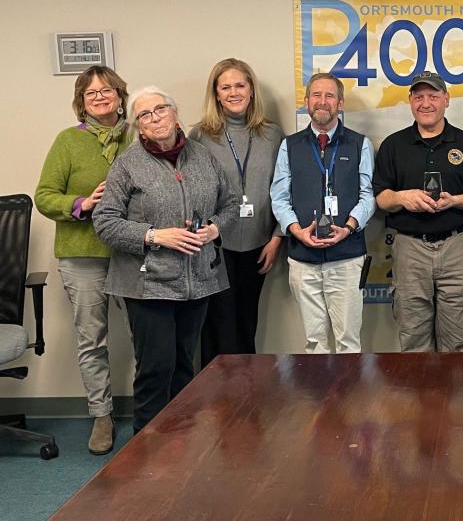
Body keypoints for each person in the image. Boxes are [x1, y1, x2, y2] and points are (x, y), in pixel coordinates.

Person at [93, 87, 237, 433]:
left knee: (185, 369)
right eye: (145, 114)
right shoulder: (128, 164)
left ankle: (181, 448)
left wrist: (214, 229)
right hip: (148, 285)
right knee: (156, 369)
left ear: (175, 114)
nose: (155, 117)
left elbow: (230, 205)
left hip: (197, 280)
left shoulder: (203, 157)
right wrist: (156, 235)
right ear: (138, 127)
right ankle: (146, 454)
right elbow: (105, 220)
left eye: (160, 109)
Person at [35, 65, 131, 454]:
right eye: (91, 94)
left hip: (132, 253)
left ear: (121, 95)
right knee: (92, 339)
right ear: (81, 102)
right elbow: (44, 196)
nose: (100, 98)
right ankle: (102, 415)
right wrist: (81, 203)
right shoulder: (67, 142)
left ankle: (153, 411)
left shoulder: (139, 136)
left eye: (107, 90)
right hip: (83, 254)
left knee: (149, 334)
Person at [373, 70, 463, 352]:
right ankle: (419, 397)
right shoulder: (393, 146)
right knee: (413, 340)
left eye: (433, 96)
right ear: (410, 101)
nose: (426, 103)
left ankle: (454, 397)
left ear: (446, 100)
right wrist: (403, 197)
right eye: (419, 97)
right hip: (409, 249)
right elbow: (381, 198)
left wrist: (456, 200)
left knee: (458, 341)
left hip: (459, 247)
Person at [269, 72, 374, 353]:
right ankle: (319, 398)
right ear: (306, 102)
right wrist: (296, 231)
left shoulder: (359, 144)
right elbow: (279, 197)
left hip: (347, 257)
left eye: (329, 95)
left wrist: (349, 227)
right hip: (303, 259)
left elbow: (368, 196)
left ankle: (350, 398)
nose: (322, 101)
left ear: (340, 103)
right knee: (314, 342)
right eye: (316, 95)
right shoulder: (289, 146)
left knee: (348, 341)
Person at [190, 58, 284, 366]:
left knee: (247, 323)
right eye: (225, 87)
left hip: (259, 244)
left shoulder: (272, 135)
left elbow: (284, 188)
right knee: (218, 326)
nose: (233, 92)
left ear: (251, 90)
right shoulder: (200, 136)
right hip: (216, 246)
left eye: (240, 85)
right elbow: (190, 191)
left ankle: (247, 402)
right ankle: (215, 403)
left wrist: (276, 238)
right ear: (216, 94)